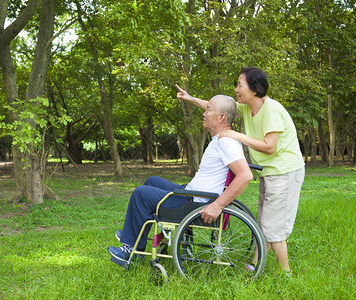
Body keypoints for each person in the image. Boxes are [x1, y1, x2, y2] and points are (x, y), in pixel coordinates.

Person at [176, 67, 305, 276]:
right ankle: (256, 262)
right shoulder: (247, 107)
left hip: (285, 172)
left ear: (254, 89)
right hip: (269, 172)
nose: (236, 89)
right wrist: (190, 99)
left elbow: (270, 146)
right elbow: (215, 108)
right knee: (264, 220)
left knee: (273, 226)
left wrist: (237, 135)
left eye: (239, 84)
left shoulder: (271, 109)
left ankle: (285, 273)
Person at [108, 94, 254, 265]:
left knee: (141, 193)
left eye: (208, 109)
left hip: (195, 203)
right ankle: (135, 237)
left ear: (221, 117)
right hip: (190, 193)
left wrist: (217, 205)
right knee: (152, 181)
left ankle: (130, 248)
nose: (204, 113)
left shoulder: (226, 142)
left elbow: (245, 175)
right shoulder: (221, 139)